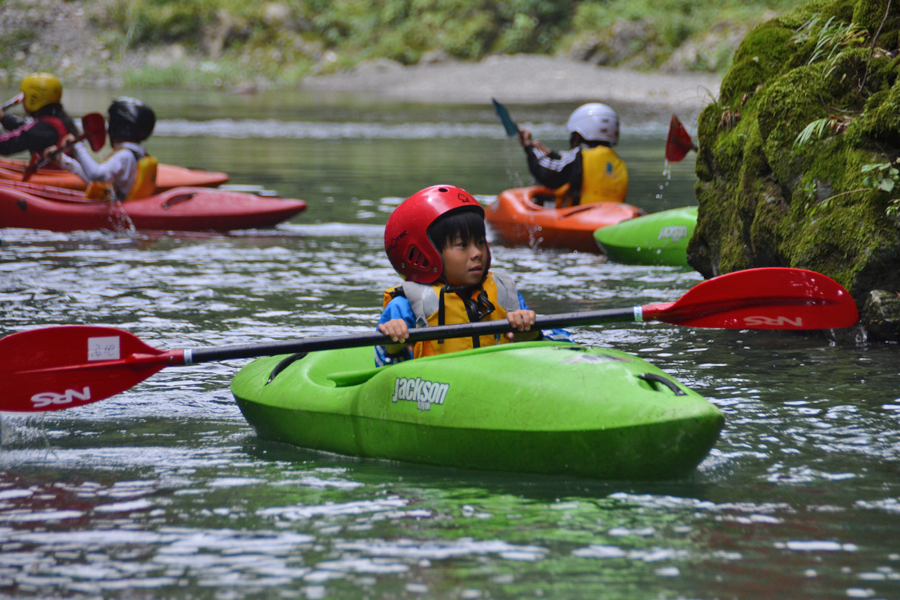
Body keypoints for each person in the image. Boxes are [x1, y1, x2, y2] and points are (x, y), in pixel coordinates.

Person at [376, 184, 570, 366]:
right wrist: (393, 348)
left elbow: (566, 343)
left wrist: (533, 335)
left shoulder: (504, 294)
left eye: (479, 242)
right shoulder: (404, 307)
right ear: (424, 254)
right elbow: (383, 373)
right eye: (462, 245)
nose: (477, 252)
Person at [517, 102, 629, 208]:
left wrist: (529, 147)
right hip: (611, 218)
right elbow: (573, 166)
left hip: (582, 218)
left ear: (578, 135)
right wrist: (549, 153)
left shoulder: (579, 155)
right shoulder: (618, 162)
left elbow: (546, 174)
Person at [54, 97, 158, 201]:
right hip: (118, 207)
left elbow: (96, 175)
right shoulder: (136, 154)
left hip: (111, 212)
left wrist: (77, 146)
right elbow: (96, 181)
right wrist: (62, 160)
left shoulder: (125, 155)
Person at [0, 72, 78, 158]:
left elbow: (6, 145)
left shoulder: (42, 129)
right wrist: (3, 118)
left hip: (51, 171)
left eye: (25, 97)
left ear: (33, 99)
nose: (22, 101)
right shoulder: (57, 119)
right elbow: (26, 129)